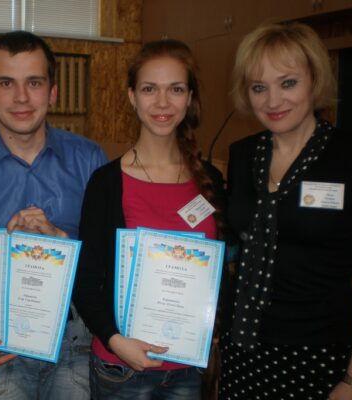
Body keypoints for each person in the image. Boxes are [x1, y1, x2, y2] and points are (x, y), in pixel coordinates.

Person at [0, 31, 107, 400]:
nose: (22, 97)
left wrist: (60, 240)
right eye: (6, 83)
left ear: (53, 92)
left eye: (34, 82)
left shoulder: (91, 160)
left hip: (74, 337)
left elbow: (104, 262)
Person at [220, 22, 352, 400]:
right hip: (243, 347)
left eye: (288, 83)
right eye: (259, 87)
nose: (273, 101)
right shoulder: (242, 154)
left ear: (315, 79)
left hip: (317, 352)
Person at [72, 39, 225, 399]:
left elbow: (222, 272)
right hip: (121, 367)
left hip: (187, 369)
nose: (162, 102)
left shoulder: (211, 180)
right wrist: (115, 340)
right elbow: (86, 279)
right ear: (132, 96)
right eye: (149, 89)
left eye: (176, 89)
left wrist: (215, 331)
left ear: (189, 98)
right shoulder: (106, 183)